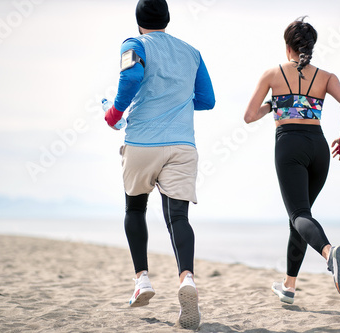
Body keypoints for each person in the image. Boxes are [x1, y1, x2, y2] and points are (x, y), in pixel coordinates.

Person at [104, 0, 215, 329]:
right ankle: (187, 279)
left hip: (142, 143)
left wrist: (114, 113)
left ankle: (142, 280)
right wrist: (176, 98)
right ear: (167, 19)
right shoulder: (192, 52)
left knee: (135, 209)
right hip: (182, 145)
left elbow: (131, 77)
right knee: (178, 216)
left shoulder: (133, 44)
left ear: (139, 22)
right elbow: (207, 99)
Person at [244, 16, 340, 304]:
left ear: (287, 48)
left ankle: (330, 253)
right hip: (319, 148)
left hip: (289, 146)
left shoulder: (272, 74)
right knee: (300, 216)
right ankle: (289, 286)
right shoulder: (326, 77)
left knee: (299, 216)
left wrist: (275, 105)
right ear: (311, 48)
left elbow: (249, 116)